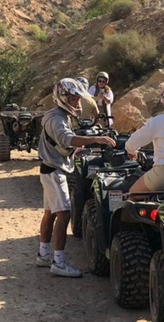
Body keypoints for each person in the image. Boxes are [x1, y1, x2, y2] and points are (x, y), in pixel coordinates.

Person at [37, 78, 116, 278]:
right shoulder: (56, 118)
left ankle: (43, 254)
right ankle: (59, 262)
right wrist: (96, 139)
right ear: (63, 98)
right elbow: (66, 139)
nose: (77, 104)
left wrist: (75, 150)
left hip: (52, 168)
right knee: (64, 213)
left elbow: (62, 144)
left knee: (50, 212)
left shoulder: (59, 116)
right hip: (55, 171)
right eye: (73, 99)